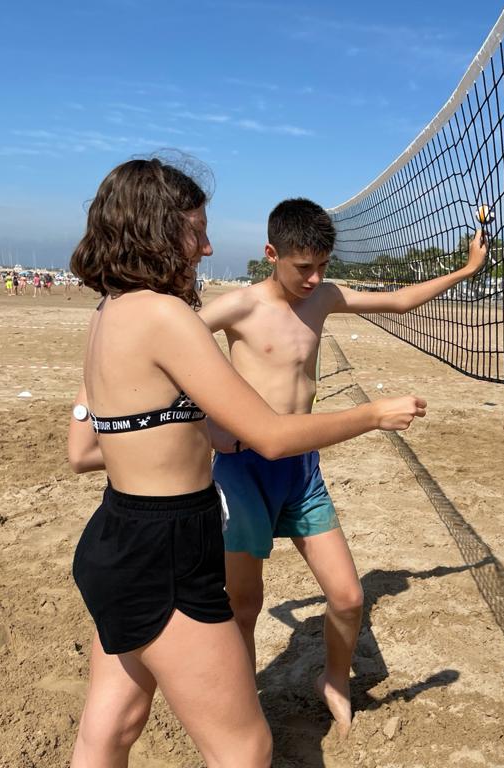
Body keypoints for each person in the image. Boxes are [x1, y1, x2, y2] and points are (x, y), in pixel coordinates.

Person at [65, 158, 427, 767]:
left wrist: (179, 432)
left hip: (114, 538)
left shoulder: (110, 310)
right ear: (157, 229)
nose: (207, 248)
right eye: (196, 232)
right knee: (246, 749)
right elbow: (274, 437)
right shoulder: (166, 316)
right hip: (167, 550)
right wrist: (372, 415)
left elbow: (82, 451)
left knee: (111, 730)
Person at [198, 197, 487, 734]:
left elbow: (399, 301)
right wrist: (208, 425)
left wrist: (467, 269)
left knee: (350, 598)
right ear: (271, 254)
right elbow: (174, 354)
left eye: (323, 265)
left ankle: (333, 679)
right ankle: (241, 705)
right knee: (245, 606)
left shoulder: (324, 297)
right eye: (303, 267)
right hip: (242, 472)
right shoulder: (238, 305)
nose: (314, 278)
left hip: (301, 470)